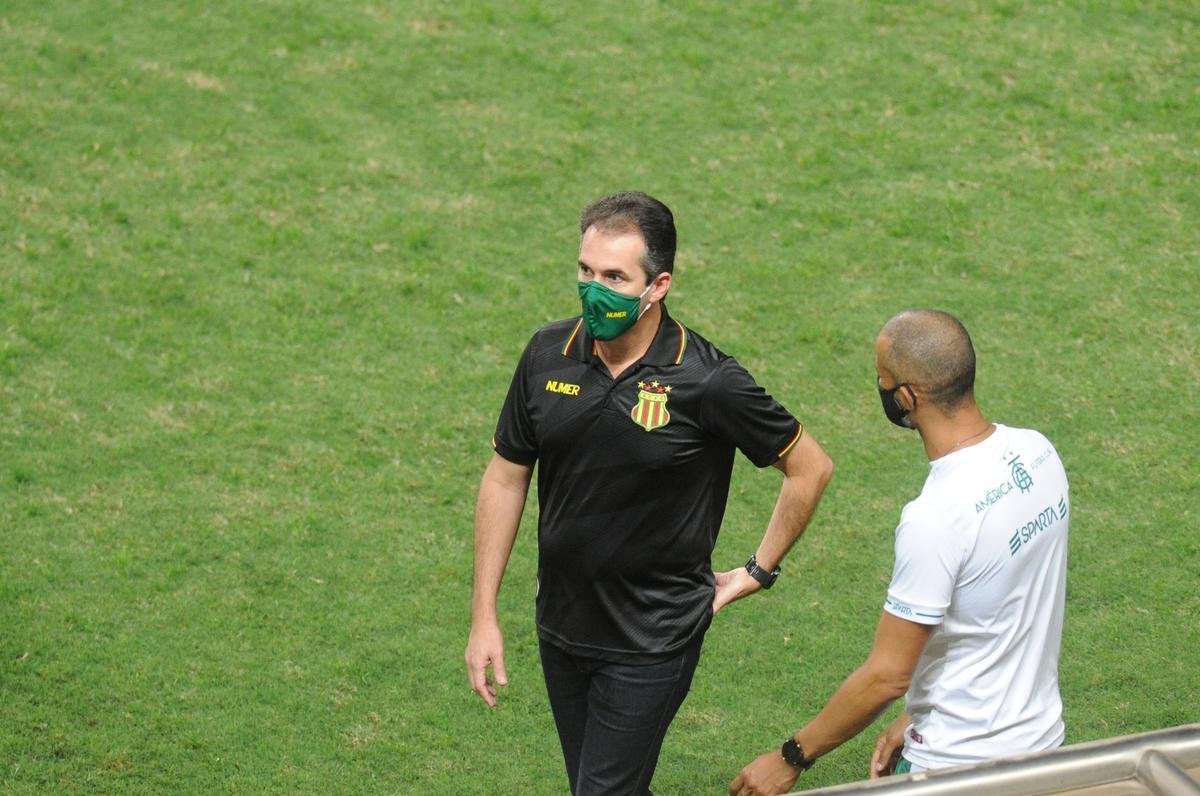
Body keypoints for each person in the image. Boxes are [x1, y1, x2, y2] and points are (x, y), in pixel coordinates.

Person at [465, 191, 833, 795]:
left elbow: (809, 468)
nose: (594, 291)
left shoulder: (706, 380)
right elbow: (506, 476)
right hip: (560, 625)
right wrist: (484, 614)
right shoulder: (546, 354)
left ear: (658, 285)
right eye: (586, 271)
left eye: (614, 278)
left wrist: (757, 571)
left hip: (652, 638)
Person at [730, 309, 1071, 796]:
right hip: (1044, 747)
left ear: (906, 397)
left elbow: (887, 675)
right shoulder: (1038, 454)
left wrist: (792, 756)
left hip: (956, 769)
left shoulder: (936, 518)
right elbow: (1000, 608)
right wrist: (916, 713)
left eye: (882, 379)